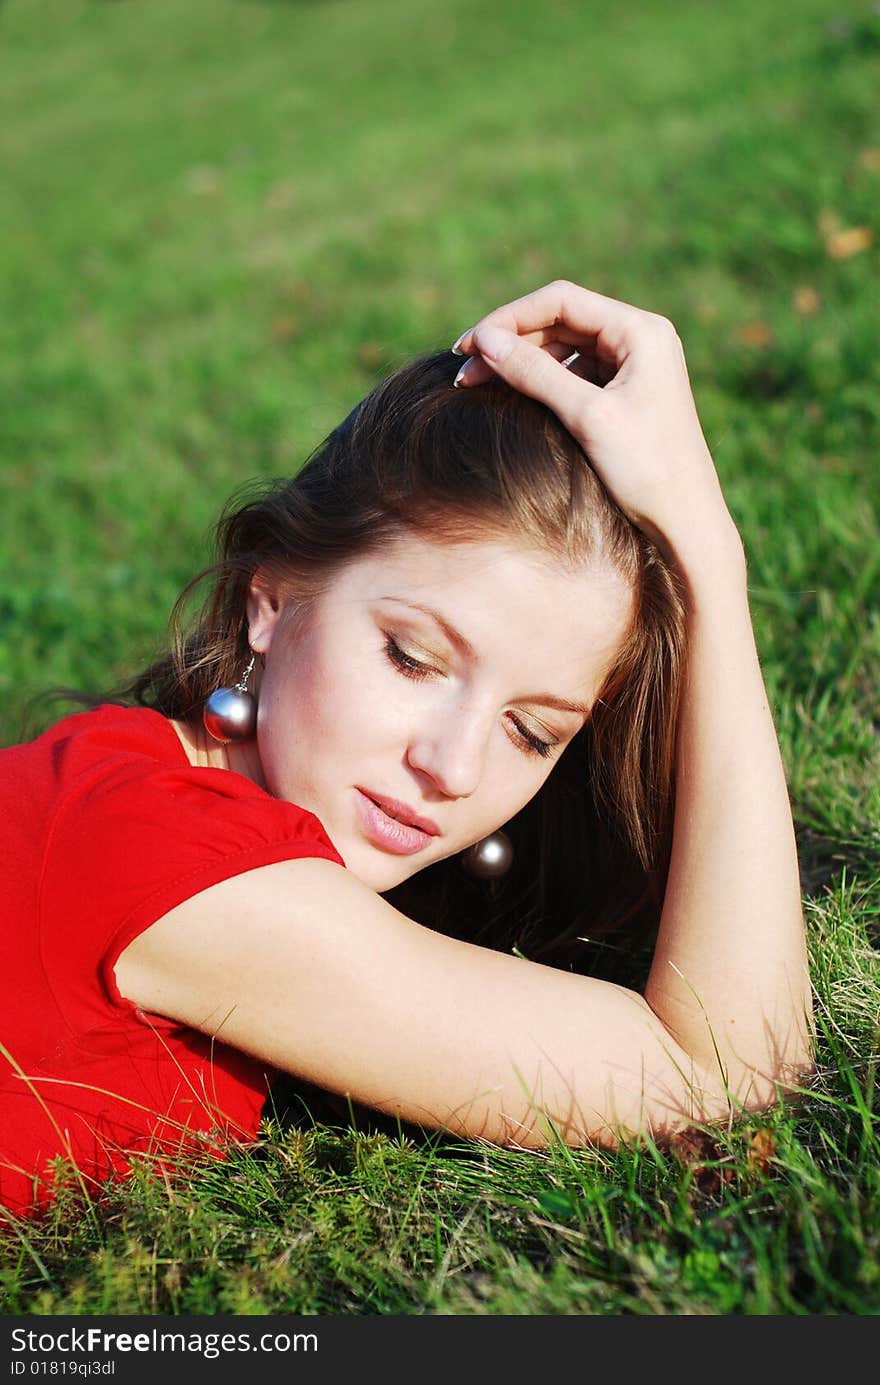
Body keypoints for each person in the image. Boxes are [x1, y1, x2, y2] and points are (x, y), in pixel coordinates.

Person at [0, 281, 815, 1218]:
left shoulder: (141, 769)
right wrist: (711, 554)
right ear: (270, 598)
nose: (454, 767)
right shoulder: (181, 864)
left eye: (532, 730)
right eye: (413, 657)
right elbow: (729, 1070)